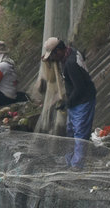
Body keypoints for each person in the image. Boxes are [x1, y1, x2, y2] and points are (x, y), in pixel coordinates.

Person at [41, 37, 96, 168]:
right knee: (70, 132)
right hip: (75, 101)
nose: (53, 59)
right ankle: (69, 161)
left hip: (83, 101)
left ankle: (77, 167)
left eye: (53, 55)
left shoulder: (70, 63)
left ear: (59, 50)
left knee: (80, 134)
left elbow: (80, 88)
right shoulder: (71, 52)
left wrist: (68, 102)